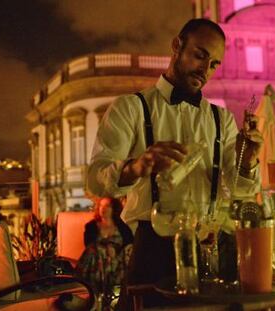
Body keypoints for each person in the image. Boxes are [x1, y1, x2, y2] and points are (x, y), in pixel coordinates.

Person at [86, 18, 262, 305]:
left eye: (214, 64)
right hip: (153, 251)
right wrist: (137, 167)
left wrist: (248, 160)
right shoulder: (131, 108)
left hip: (213, 249)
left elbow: (240, 190)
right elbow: (95, 179)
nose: (206, 70)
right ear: (177, 46)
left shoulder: (223, 119)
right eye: (200, 55)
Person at [75, 197, 133, 294]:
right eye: (101, 206)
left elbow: (129, 244)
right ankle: (97, 293)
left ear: (114, 208)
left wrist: (116, 251)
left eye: (107, 206)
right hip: (97, 260)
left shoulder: (122, 227)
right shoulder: (91, 226)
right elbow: (88, 246)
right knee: (95, 253)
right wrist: (106, 249)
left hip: (117, 261)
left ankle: (109, 294)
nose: (103, 208)